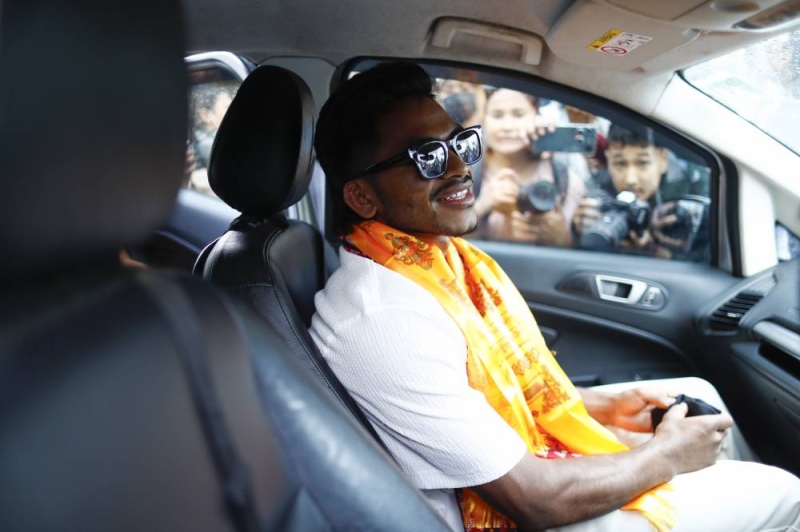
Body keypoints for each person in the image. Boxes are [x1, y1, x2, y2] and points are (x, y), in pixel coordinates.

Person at [310, 62, 800, 532]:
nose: (460, 166)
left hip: (520, 477)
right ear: (362, 197)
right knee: (786, 494)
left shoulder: (433, 262)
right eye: (427, 157)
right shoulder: (384, 317)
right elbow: (534, 501)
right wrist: (667, 455)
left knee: (700, 399)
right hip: (502, 515)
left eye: (460, 143)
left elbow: (484, 391)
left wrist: (605, 406)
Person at [573, 124, 711, 261]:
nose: (630, 179)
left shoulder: (690, 195)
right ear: (608, 158)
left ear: (663, 160)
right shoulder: (599, 189)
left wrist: (661, 253)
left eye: (643, 163)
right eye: (620, 163)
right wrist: (580, 232)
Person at [471, 88, 586, 246]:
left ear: (537, 118)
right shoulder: (466, 174)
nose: (507, 126)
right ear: (483, 121)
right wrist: (481, 207)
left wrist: (560, 238)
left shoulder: (563, 179)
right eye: (497, 116)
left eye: (519, 115)